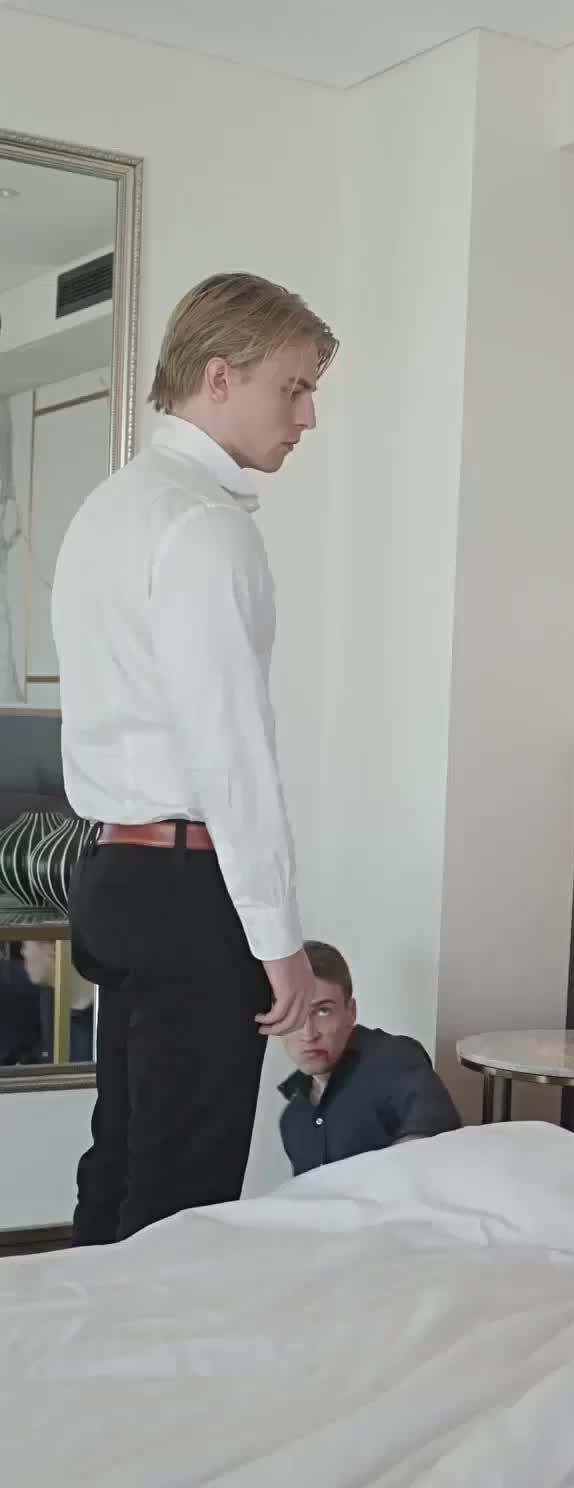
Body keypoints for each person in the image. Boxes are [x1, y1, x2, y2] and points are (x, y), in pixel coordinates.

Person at [52, 273, 339, 1244]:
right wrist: (281, 941)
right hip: (186, 886)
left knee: (122, 1160)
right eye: (293, 388)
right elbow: (231, 753)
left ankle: (79, 1338)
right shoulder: (204, 525)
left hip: (118, 874)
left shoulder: (111, 508)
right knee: (181, 1195)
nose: (307, 417)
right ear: (219, 377)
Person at [278, 942, 462, 1175]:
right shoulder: (292, 1120)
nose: (308, 1034)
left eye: (323, 1011)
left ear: (350, 1012)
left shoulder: (392, 1058)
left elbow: (435, 1143)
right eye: (293, 1014)